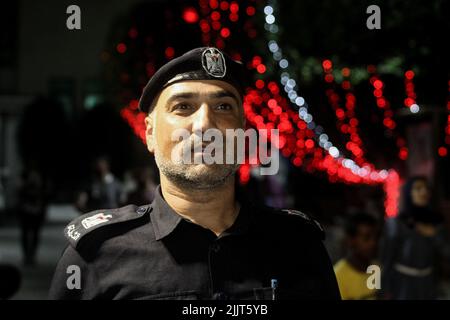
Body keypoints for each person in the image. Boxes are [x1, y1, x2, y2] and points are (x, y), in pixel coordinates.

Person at [49, 47, 340, 300]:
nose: (204, 124)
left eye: (223, 106)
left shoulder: (299, 246)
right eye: (183, 107)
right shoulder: (95, 257)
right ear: (150, 133)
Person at [381, 176, 443, 299]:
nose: (424, 192)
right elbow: (384, 259)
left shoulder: (436, 221)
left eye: (426, 188)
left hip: (428, 284)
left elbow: (444, 252)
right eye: (418, 188)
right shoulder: (397, 223)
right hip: (403, 285)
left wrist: (434, 235)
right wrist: (381, 290)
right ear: (408, 192)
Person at [334, 212, 380, 300]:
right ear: (351, 240)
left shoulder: (377, 268)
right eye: (367, 238)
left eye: (376, 237)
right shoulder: (338, 277)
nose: (373, 243)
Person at [17, 169, 47, 265]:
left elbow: (44, 197)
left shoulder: (40, 186)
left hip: (35, 211)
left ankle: (31, 255)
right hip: (27, 211)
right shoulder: (25, 185)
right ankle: (27, 255)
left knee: (34, 234)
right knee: (27, 234)